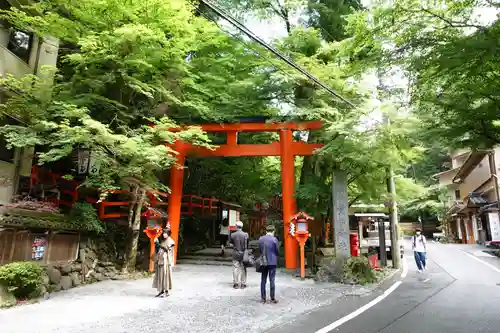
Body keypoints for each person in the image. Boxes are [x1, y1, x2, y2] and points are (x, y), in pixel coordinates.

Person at [258, 224, 279, 304]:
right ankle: (272, 297)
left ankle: (263, 298)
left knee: (263, 279)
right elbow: (277, 251)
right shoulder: (274, 240)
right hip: (272, 261)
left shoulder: (261, 239)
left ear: (266, 231)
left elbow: (260, 249)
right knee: (272, 280)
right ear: (273, 231)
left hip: (263, 261)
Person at [152, 229, 175, 297]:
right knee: (160, 276)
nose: (164, 234)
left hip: (166, 261)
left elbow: (167, 250)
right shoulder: (163, 241)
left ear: (168, 234)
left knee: (166, 276)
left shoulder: (171, 241)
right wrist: (157, 245)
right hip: (160, 260)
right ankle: (161, 290)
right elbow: (159, 250)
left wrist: (159, 245)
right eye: (163, 233)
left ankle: (166, 291)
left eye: (165, 233)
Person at [230, 221, 248, 289]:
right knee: (243, 269)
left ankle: (236, 283)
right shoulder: (246, 234)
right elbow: (247, 244)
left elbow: (231, 244)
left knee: (235, 268)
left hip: (235, 253)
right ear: (242, 227)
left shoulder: (232, 234)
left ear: (236, 226)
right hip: (244, 254)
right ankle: (243, 284)